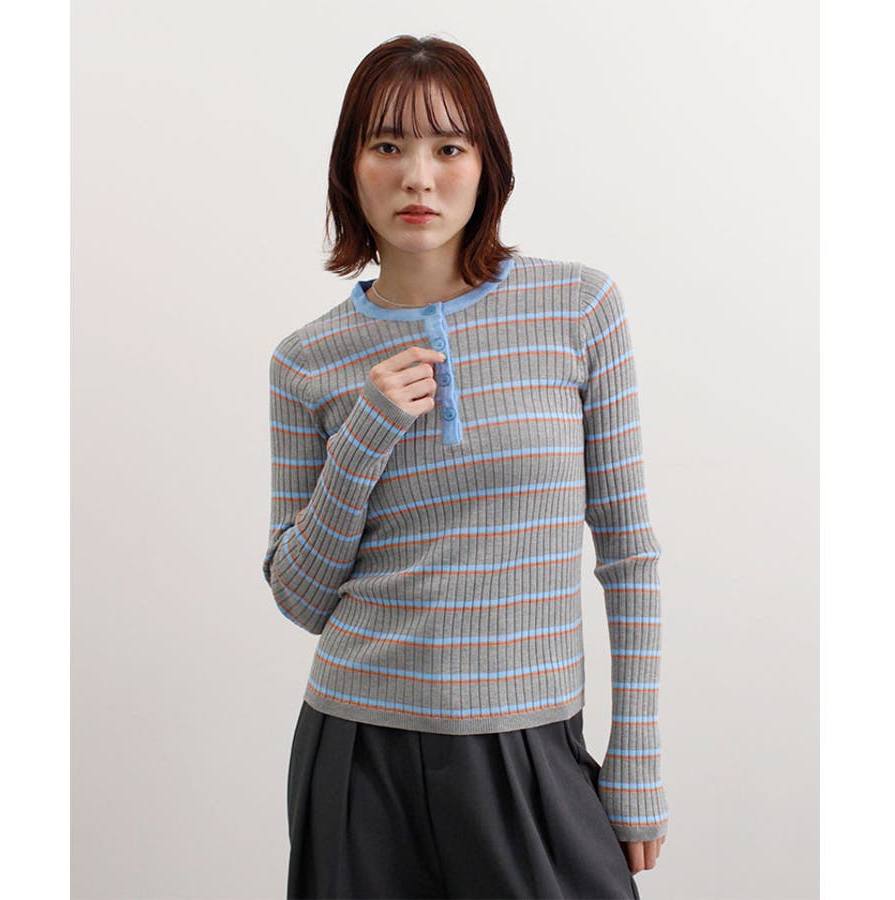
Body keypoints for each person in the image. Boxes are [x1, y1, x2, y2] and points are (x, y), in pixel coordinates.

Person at [263, 33, 669, 900]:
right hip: (358, 751)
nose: (418, 177)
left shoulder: (577, 307)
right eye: (387, 146)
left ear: (487, 165)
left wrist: (636, 758)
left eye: (448, 147)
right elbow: (299, 597)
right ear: (350, 168)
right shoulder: (306, 360)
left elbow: (629, 553)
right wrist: (366, 434)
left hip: (531, 744)